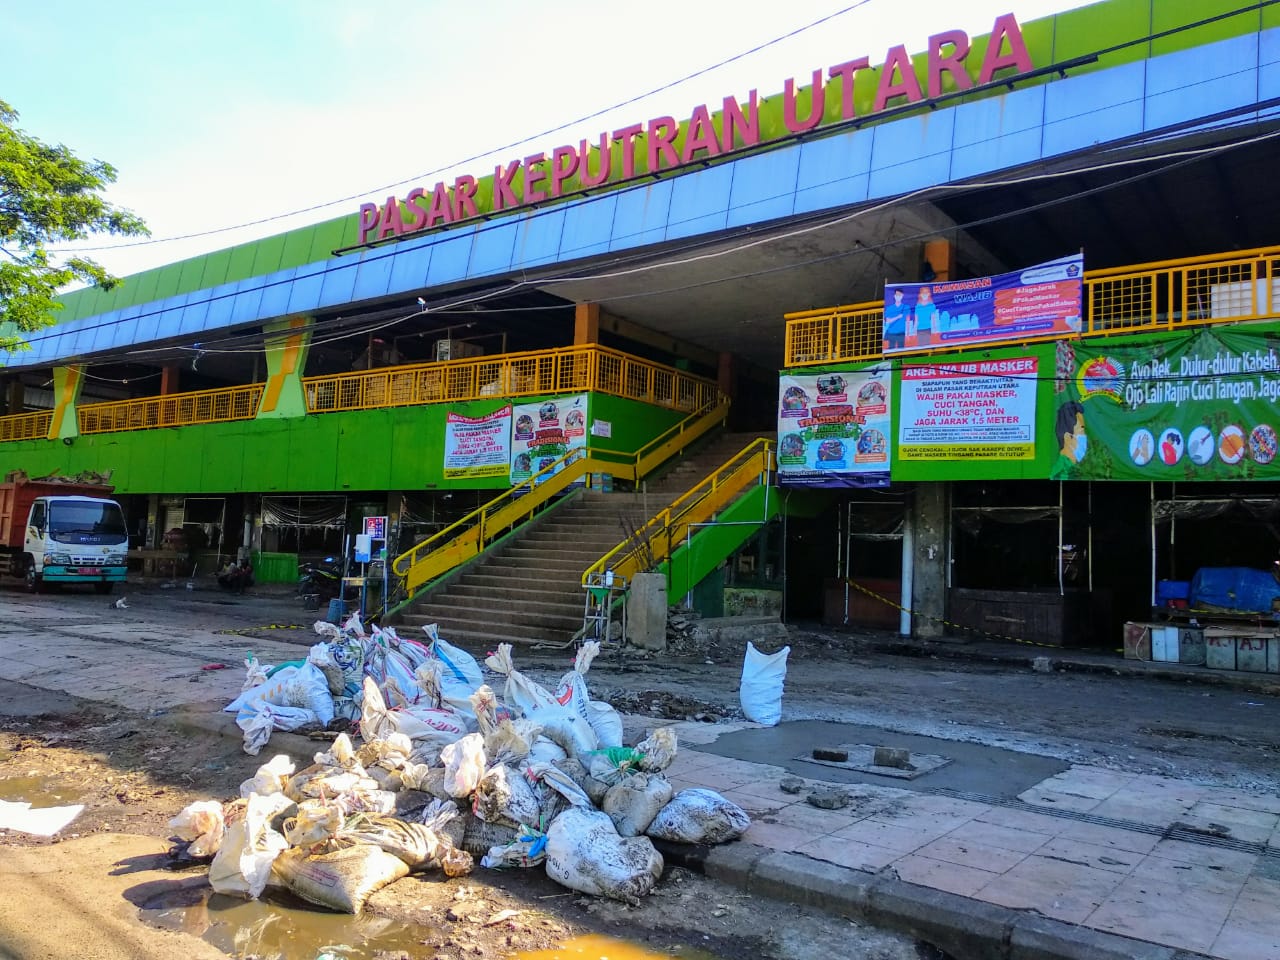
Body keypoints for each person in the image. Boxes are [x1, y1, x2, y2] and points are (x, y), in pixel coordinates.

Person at [1050, 401, 1087, 480]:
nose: (1085, 436)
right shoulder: (1059, 474)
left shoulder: (1073, 469)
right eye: (1081, 430)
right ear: (1067, 437)